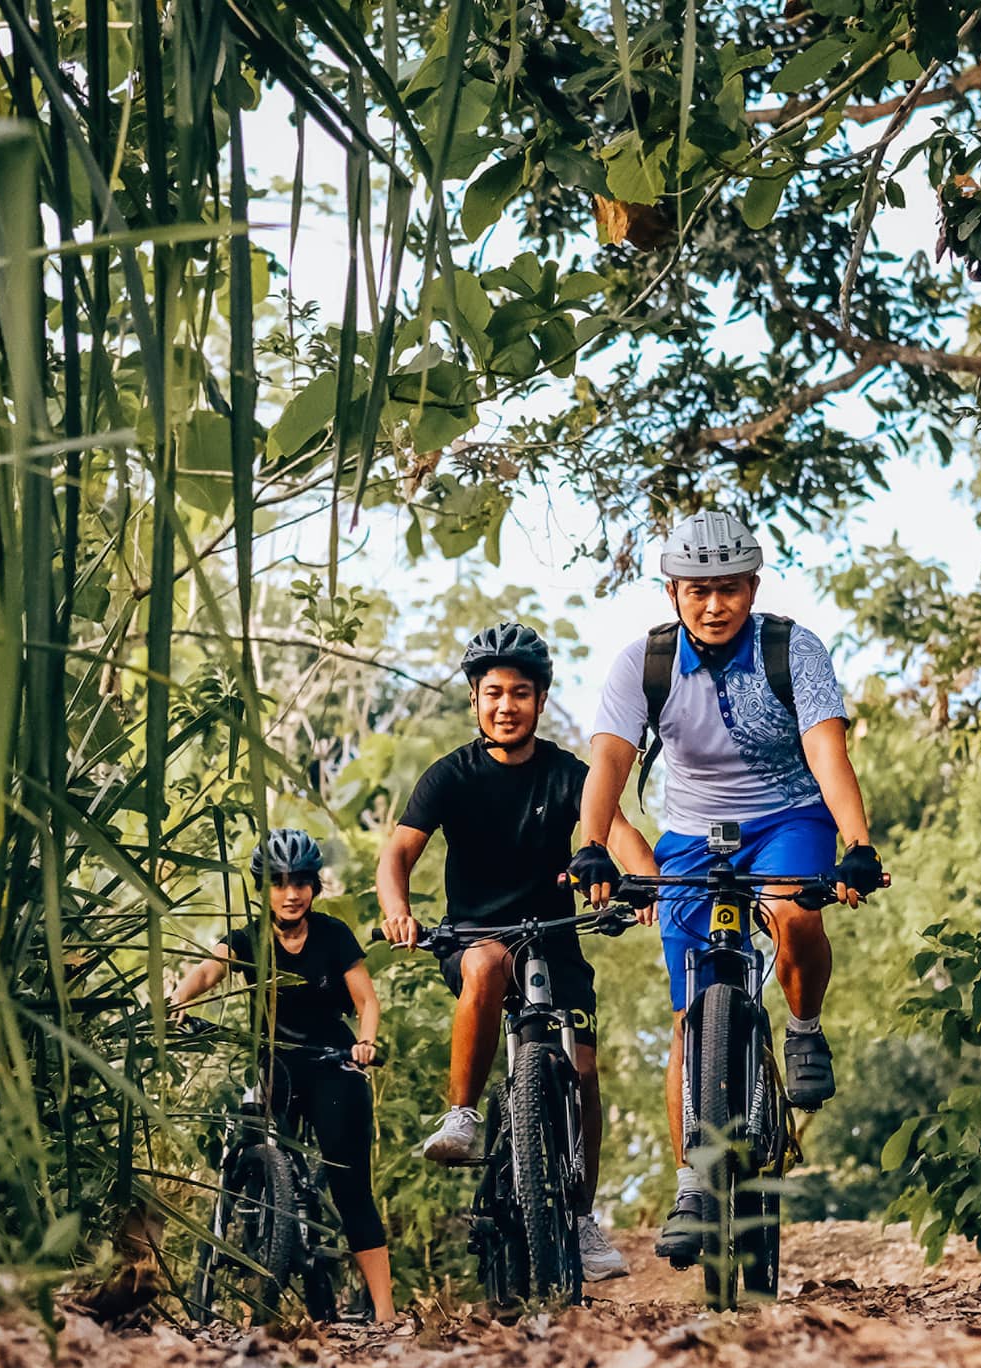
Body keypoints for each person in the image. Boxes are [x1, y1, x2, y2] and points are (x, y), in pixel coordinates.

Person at [566, 511, 884, 1263]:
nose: (715, 606)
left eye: (731, 589)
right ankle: (690, 1186)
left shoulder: (790, 648)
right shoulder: (643, 662)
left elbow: (826, 750)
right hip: (690, 835)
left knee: (790, 913)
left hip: (788, 818)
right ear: (673, 590)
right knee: (688, 1018)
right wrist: (591, 848)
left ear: (753, 587)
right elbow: (608, 761)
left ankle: (803, 1031)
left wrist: (859, 844)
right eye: (700, 590)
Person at [375, 621, 657, 1283]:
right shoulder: (450, 776)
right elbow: (398, 853)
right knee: (487, 963)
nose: (507, 705)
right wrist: (397, 909)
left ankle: (583, 1219)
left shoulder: (568, 775)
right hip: (472, 939)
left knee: (584, 1072)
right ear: (475, 702)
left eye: (522, 692)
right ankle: (463, 1115)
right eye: (494, 692)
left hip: (557, 945)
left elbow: (622, 836)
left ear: (539, 700)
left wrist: (641, 886)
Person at [169, 828, 396, 1323]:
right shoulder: (249, 938)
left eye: (300, 882)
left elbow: (366, 1001)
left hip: (333, 1061)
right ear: (264, 887)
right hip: (275, 1065)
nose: (290, 894)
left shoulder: (334, 935)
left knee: (350, 1185)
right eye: (279, 882)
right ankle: (255, 1231)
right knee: (248, 1140)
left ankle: (385, 1313)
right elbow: (210, 971)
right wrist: (177, 1002)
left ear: (314, 886)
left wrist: (366, 1042)